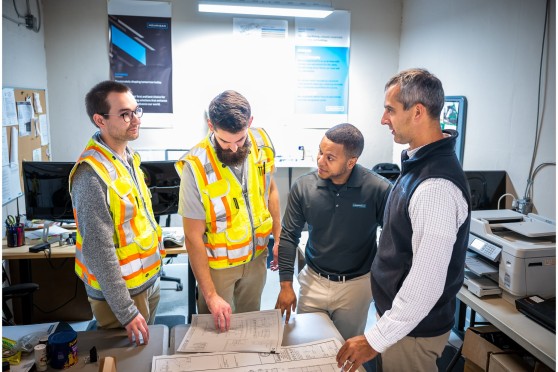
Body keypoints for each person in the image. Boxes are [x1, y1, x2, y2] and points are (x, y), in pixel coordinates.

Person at [336, 68, 472, 372]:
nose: (383, 119)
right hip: (400, 325)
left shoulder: (435, 186)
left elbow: (426, 284)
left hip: (413, 333)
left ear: (418, 112)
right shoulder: (419, 163)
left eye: (390, 110)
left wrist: (375, 339)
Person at [69, 80, 166, 346]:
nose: (135, 120)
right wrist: (126, 310)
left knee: (145, 356)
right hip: (121, 297)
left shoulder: (128, 157)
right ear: (99, 120)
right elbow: (98, 249)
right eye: (125, 114)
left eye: (136, 111)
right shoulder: (90, 174)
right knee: (125, 361)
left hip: (146, 282)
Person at [275, 123, 392, 341]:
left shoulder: (379, 189)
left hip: (356, 286)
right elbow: (289, 236)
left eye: (330, 158)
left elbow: (394, 240)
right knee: (306, 346)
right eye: (320, 151)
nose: (320, 161)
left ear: (351, 162)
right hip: (314, 280)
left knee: (345, 350)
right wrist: (285, 285)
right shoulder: (303, 187)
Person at [176, 90, 281, 332]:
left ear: (250, 123)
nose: (234, 149)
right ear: (210, 125)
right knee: (217, 330)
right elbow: (193, 237)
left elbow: (271, 188)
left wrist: (278, 232)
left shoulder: (262, 143)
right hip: (218, 267)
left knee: (248, 326)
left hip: (257, 259)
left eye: (240, 140)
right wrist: (210, 295)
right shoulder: (195, 165)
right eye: (225, 142)